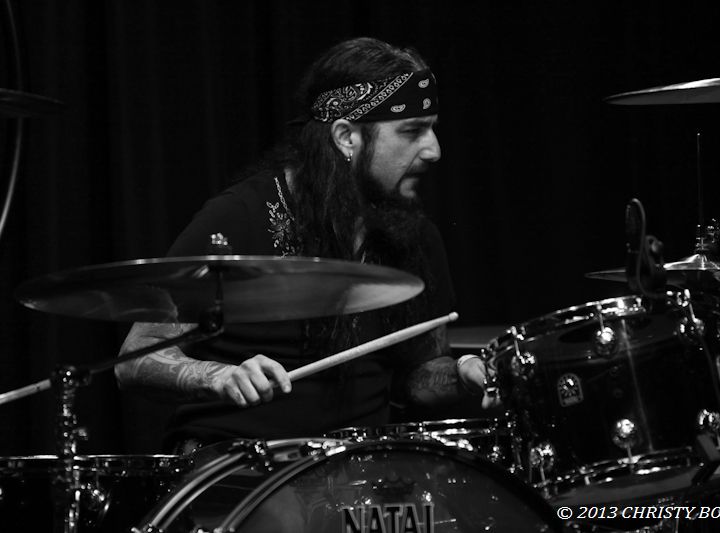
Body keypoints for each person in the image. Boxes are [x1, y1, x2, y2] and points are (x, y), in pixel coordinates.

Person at [114, 37, 490, 456]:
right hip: (241, 465)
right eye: (412, 131)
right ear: (346, 136)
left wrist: (463, 374)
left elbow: (416, 379)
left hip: (362, 468)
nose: (434, 150)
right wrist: (216, 375)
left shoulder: (413, 235)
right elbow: (135, 359)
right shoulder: (239, 217)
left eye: (432, 128)